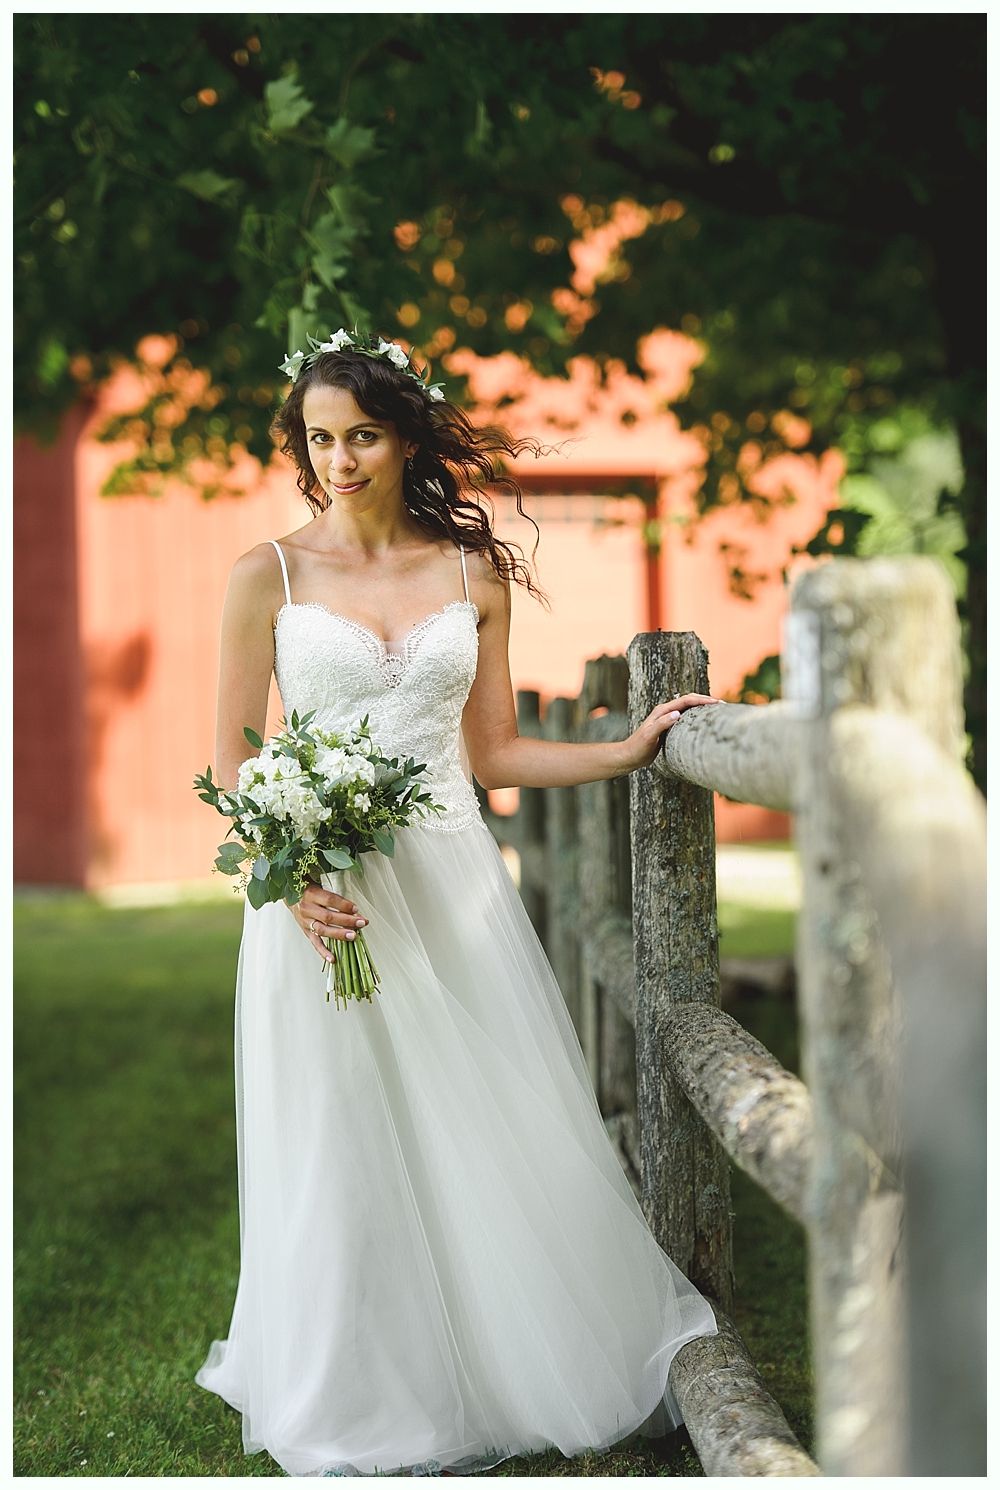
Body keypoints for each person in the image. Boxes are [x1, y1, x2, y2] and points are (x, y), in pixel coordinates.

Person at [195, 329, 722, 1477]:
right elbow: (236, 767)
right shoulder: (267, 575)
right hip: (323, 895)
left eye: (361, 435)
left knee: (485, 1117)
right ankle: (356, 1377)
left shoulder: (469, 575)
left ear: (408, 436)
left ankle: (508, 1352)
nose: (337, 458)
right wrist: (294, 882)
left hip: (448, 871)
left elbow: (491, 751)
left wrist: (626, 749)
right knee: (340, 1131)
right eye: (318, 438)